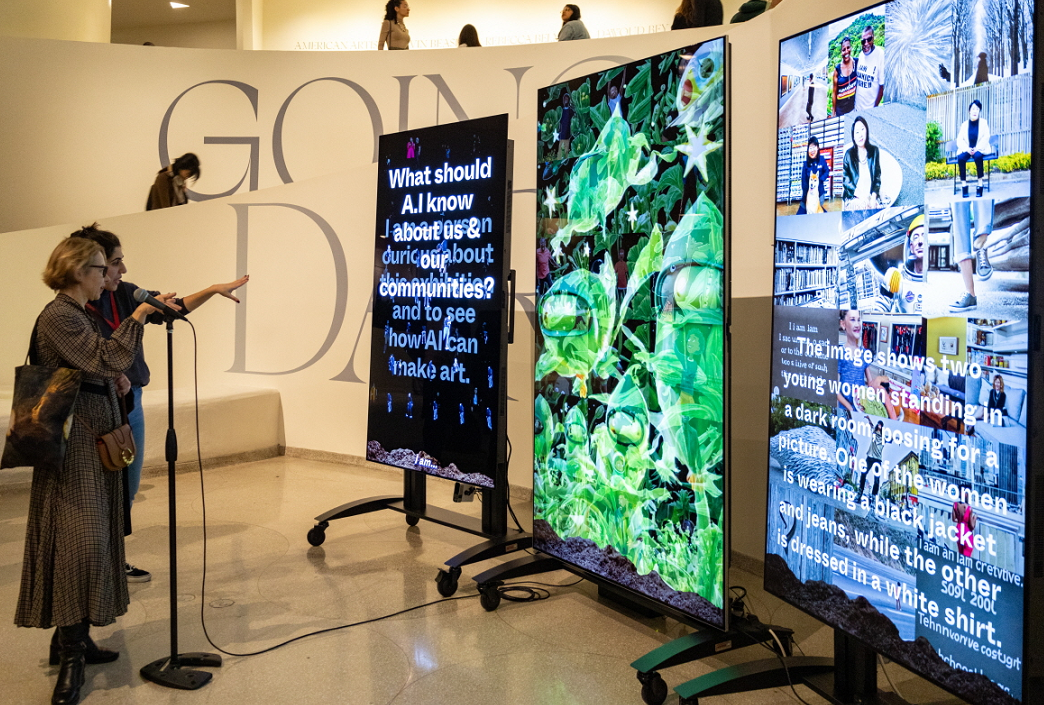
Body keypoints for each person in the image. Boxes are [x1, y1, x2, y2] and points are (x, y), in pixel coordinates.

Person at [16, 236, 170, 705]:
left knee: (92, 538)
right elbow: (104, 355)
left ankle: (74, 640)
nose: (110, 276)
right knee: (79, 543)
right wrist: (139, 317)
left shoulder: (78, 314)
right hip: (76, 444)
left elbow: (92, 366)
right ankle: (71, 660)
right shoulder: (60, 314)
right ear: (78, 271)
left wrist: (112, 376)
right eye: (103, 268)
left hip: (93, 441)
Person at [71, 224, 248, 583]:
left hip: (129, 404)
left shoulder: (124, 294)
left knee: (127, 488)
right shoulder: (74, 309)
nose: (123, 270)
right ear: (96, 266)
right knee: (98, 492)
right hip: (94, 409)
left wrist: (214, 290)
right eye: (117, 263)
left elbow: (174, 308)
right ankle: (94, 564)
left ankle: (113, 558)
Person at [836, 309, 898, 419]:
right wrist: (850, 408)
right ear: (843, 324)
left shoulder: (864, 353)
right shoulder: (839, 352)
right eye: (852, 319)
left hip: (861, 408)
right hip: (845, 410)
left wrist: (879, 379)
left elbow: (870, 384)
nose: (857, 324)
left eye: (859, 320)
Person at [842, 116, 882, 210]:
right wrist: (860, 196)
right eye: (857, 132)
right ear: (853, 137)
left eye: (862, 129)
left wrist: (873, 197)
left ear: (867, 130)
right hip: (854, 197)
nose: (860, 135)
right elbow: (845, 179)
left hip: (870, 196)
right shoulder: (849, 154)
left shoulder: (874, 151)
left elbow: (877, 177)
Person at [955, 99, 993, 198]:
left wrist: (977, 148)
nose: (975, 111)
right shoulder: (964, 125)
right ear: (969, 111)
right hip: (967, 148)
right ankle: (964, 185)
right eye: (973, 109)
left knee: (978, 157)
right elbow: (959, 139)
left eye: (977, 109)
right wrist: (967, 149)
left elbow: (986, 137)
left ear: (979, 111)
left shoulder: (984, 123)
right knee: (961, 158)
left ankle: (980, 184)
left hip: (979, 148)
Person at [854, 25, 884, 111]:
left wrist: (874, 107)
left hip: (869, 110)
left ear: (873, 38)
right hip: (856, 109)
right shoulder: (860, 54)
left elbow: (882, 86)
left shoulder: (880, 55)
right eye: (863, 41)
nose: (866, 43)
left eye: (869, 39)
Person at [797, 136, 829, 215]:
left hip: (819, 194)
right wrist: (806, 196)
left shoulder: (822, 159)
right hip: (807, 195)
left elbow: (827, 171)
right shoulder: (805, 164)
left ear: (817, 148)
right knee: (799, 215)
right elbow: (803, 182)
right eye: (810, 148)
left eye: (814, 147)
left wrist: (821, 179)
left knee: (816, 213)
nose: (812, 150)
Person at [831, 36, 858, 117]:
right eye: (843, 50)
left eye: (848, 48)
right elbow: (834, 93)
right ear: (841, 51)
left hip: (854, 110)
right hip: (840, 112)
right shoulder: (837, 70)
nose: (846, 51)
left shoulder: (857, 63)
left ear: (851, 48)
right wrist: (833, 113)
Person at [859, 419, 885, 500]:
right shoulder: (874, 432)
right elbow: (871, 425)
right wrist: (868, 419)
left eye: (880, 425)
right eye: (878, 424)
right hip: (870, 457)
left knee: (876, 479)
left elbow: (892, 439)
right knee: (863, 474)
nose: (879, 426)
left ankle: (874, 496)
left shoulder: (883, 437)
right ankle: (860, 492)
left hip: (878, 459)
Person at [557, 92, 574, 159]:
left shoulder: (571, 111)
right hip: (561, 136)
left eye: (567, 99)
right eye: (565, 99)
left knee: (566, 152)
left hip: (567, 135)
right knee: (560, 152)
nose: (566, 101)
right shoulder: (560, 111)